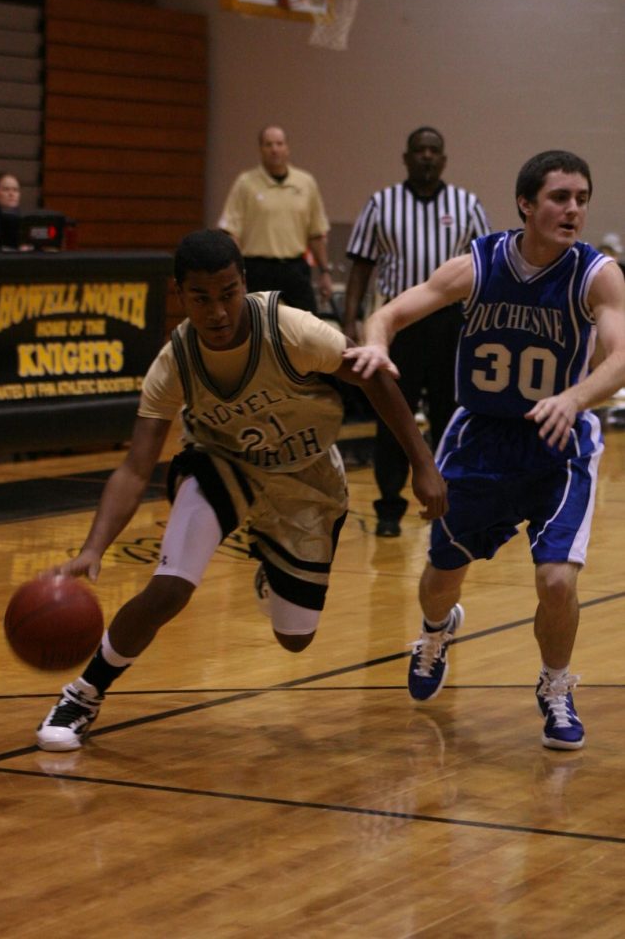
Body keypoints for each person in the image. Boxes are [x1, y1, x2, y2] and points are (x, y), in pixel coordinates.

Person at [35, 228, 447, 752]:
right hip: (220, 463)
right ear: (180, 295)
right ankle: (82, 694)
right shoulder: (175, 361)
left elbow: (376, 379)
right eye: (200, 298)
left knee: (295, 640)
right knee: (171, 587)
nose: (218, 311)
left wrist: (423, 464)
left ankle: (270, 570)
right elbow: (136, 468)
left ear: (244, 284)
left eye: (227, 293)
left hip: (306, 474)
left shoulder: (293, 330)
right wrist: (93, 548)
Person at [345, 150, 625, 750]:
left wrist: (573, 399)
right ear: (526, 203)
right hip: (481, 437)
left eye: (581, 198)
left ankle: (555, 687)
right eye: (559, 197)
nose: (573, 208)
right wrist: (373, 346)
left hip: (559, 443)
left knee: (555, 580)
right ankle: (436, 630)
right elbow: (390, 312)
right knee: (443, 574)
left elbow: (623, 358)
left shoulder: (596, 274)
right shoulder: (479, 263)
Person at [344, 127, 491, 537]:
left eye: (434, 151)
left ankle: (451, 502)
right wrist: (351, 317)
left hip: (451, 325)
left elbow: (487, 268)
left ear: (443, 160)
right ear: (406, 157)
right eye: (419, 150)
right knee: (394, 414)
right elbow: (360, 265)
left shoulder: (468, 205)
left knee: (451, 417)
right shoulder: (381, 204)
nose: (427, 157)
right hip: (399, 325)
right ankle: (389, 508)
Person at [218, 125, 332, 313]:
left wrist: (325, 272)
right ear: (260, 149)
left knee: (309, 326)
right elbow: (232, 232)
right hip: (257, 269)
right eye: (268, 144)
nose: (274, 149)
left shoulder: (306, 183)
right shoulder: (245, 183)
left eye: (279, 144)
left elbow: (316, 233)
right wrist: (237, 273)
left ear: (287, 148)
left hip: (294, 267)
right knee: (255, 325)